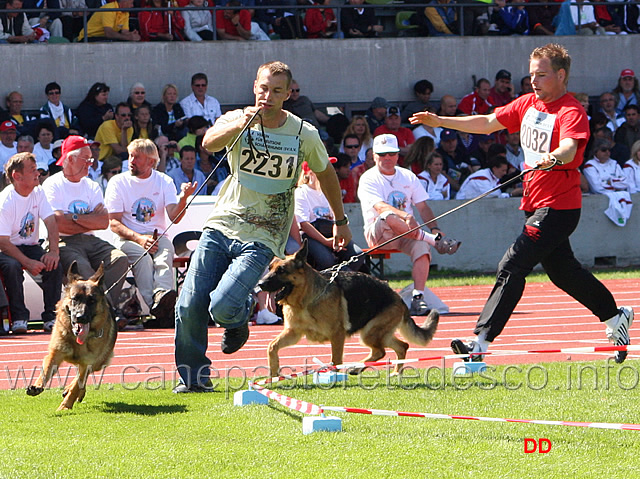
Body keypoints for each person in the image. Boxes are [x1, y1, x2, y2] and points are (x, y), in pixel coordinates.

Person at [410, 43, 634, 364]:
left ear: (560, 75)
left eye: (541, 75)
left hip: (558, 206)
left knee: (512, 265)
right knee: (563, 272)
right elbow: (487, 123)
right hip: (535, 202)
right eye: (531, 75)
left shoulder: (570, 111)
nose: (534, 81)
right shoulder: (528, 104)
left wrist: (553, 157)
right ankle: (615, 317)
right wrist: (440, 120)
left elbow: (570, 147)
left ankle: (480, 344)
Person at [173, 61, 351, 392]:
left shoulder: (303, 133)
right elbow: (209, 143)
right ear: (255, 86)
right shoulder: (235, 118)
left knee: (223, 305)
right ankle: (194, 380)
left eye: (277, 91)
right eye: (263, 89)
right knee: (189, 302)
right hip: (222, 223)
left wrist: (341, 222)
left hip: (266, 234)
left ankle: (236, 321)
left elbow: (326, 173)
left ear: (288, 95)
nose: (268, 96)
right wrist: (241, 123)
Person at [358, 133, 459, 316]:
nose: (387, 158)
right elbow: (380, 206)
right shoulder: (368, 178)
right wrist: (405, 215)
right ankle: (432, 240)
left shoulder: (408, 176)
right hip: (380, 234)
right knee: (387, 215)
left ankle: (418, 298)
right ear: (374, 156)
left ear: (397, 155)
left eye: (391, 153)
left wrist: (435, 228)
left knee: (421, 247)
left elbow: (423, 207)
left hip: (409, 234)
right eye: (382, 154)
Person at [105, 139, 196, 328]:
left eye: (137, 157)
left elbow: (174, 217)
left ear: (151, 162)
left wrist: (184, 198)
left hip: (158, 236)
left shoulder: (164, 181)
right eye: (131, 155)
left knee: (165, 252)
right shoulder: (118, 182)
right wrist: (139, 238)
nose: (131, 160)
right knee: (143, 258)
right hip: (127, 237)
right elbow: (113, 222)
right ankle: (157, 305)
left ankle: (163, 296)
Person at [42, 136, 129, 324]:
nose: (91, 163)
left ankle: (103, 309)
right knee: (84, 268)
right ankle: (109, 312)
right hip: (64, 241)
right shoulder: (52, 184)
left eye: (91, 158)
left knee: (120, 259)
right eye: (86, 158)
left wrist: (73, 217)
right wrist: (88, 218)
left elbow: (103, 222)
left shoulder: (91, 185)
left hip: (91, 240)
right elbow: (58, 223)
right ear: (70, 159)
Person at [0, 152, 62, 334]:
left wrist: (53, 252)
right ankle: (19, 317)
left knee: (54, 265)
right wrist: (27, 263)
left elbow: (51, 222)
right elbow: (3, 242)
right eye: (33, 170)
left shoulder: (39, 192)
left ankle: (52, 316)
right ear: (17, 176)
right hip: (7, 248)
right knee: (12, 266)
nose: (38, 174)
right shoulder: (5, 201)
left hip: (31, 246)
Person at [295, 160, 366, 272]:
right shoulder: (301, 192)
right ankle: (340, 278)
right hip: (312, 235)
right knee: (326, 260)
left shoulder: (330, 191)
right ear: (309, 172)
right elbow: (304, 224)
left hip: (332, 231)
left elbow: (336, 217)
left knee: (357, 255)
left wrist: (336, 239)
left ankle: (340, 278)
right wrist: (325, 241)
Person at [77, 0, 141, 41]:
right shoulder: (109, 8)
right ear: (124, 1)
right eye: (131, 3)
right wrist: (128, 37)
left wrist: (132, 35)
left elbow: (124, 32)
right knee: (113, 42)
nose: (132, 6)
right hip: (88, 37)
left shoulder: (126, 12)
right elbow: (109, 33)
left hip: (102, 37)